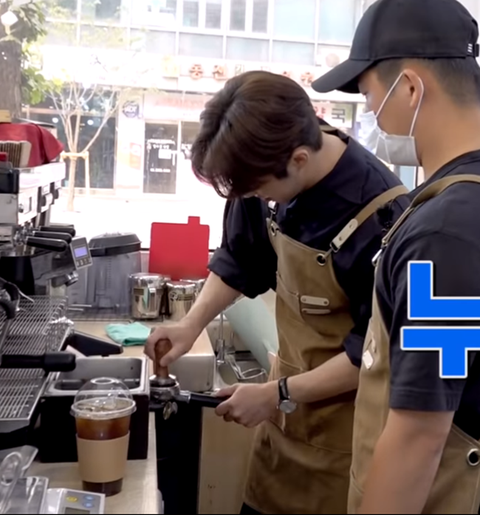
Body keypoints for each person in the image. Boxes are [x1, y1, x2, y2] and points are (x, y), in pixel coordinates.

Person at [146, 70, 409, 515]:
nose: (254, 198)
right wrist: (191, 325)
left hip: (346, 437)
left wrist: (279, 393)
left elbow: (374, 353)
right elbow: (240, 258)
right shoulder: (262, 160)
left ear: (299, 159)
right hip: (282, 415)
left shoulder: (381, 219)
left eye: (258, 189)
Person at [312, 0, 480, 513]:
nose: (370, 115)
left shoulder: (444, 233)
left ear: (410, 88)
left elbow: (420, 434)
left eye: (369, 96)